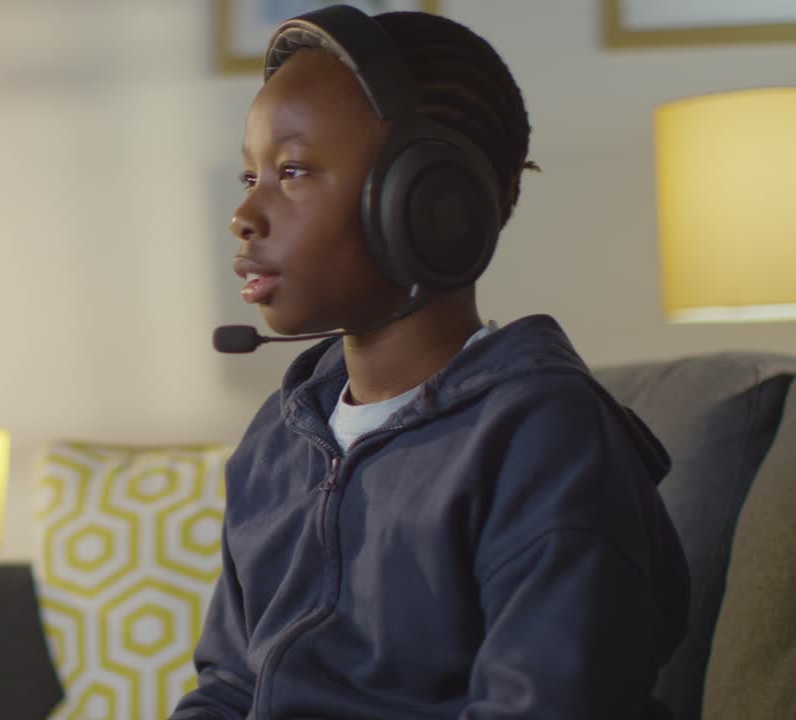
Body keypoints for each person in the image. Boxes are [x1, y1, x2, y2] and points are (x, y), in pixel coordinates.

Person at [173, 6, 689, 719]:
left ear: (427, 201)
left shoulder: (541, 438)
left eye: (290, 171)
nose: (245, 214)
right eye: (248, 175)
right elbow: (230, 689)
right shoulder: (281, 437)